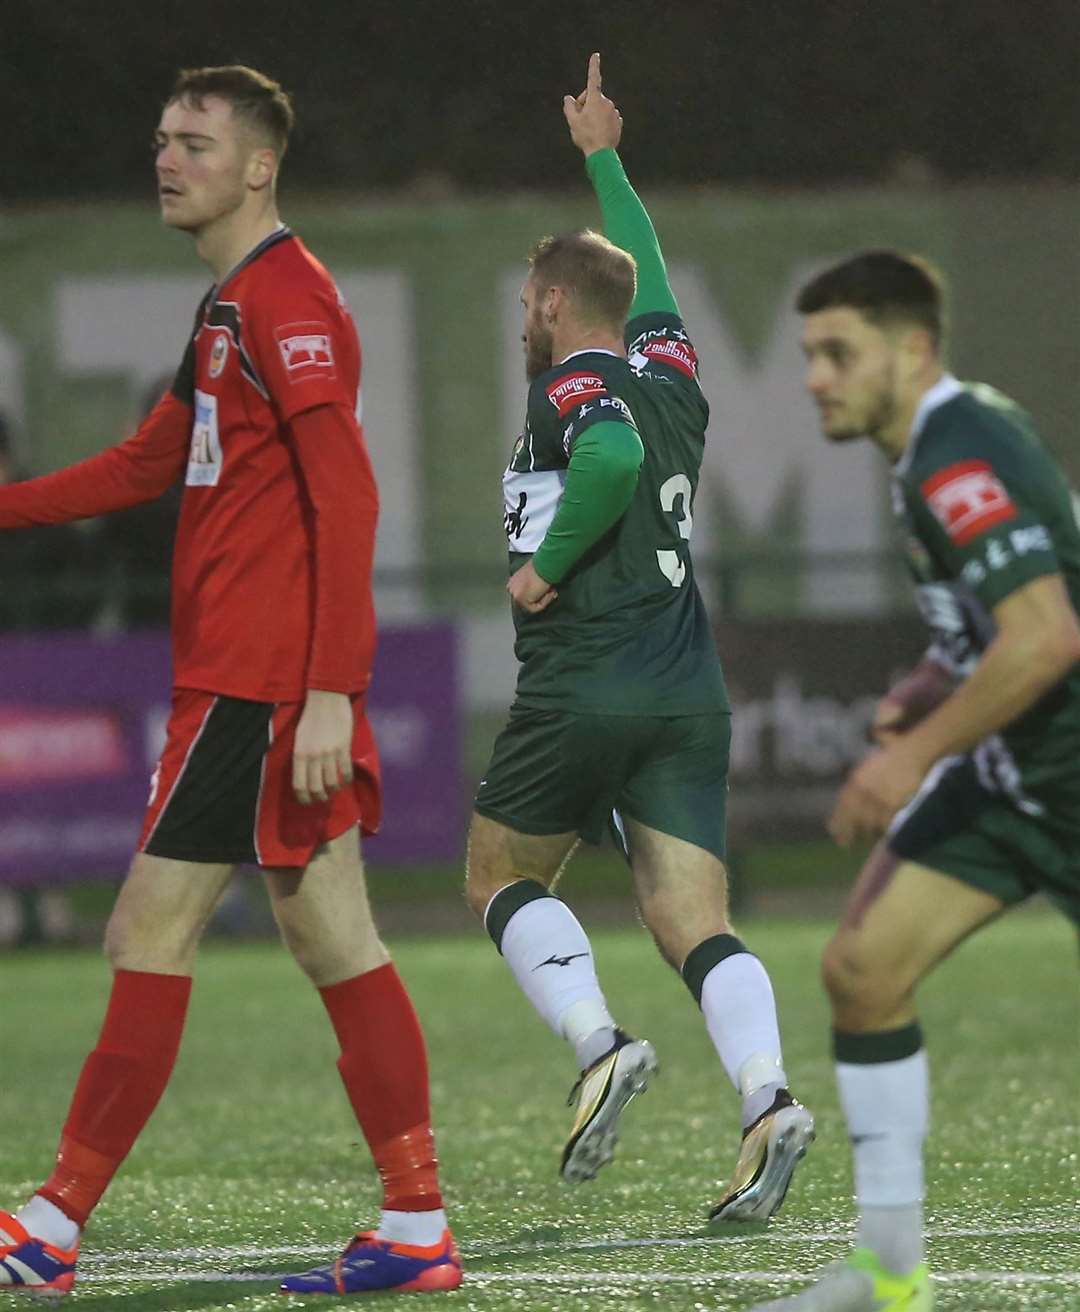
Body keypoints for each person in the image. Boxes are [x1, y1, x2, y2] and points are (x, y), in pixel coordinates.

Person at [0, 66, 460, 1298]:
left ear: (258, 165)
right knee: (334, 936)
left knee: (146, 929)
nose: (168, 158)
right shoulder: (227, 305)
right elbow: (145, 462)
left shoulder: (287, 301)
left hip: (258, 685)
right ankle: (417, 1225)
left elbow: (349, 497)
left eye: (195, 142)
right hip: (252, 679)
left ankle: (50, 1222)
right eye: (160, 138)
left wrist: (327, 690)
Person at [463, 53, 814, 1225]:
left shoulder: (573, 385)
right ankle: (767, 1099)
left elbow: (604, 454)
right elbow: (648, 271)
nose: (528, 320)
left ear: (556, 306)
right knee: (692, 918)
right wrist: (604, 157)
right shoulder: (674, 370)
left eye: (530, 304)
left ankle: (600, 1042)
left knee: (500, 874)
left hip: (586, 679)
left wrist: (541, 569)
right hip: (685, 684)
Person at [749, 251, 1080, 1311]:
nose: (815, 377)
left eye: (840, 352)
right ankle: (891, 1269)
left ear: (914, 350)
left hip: (1063, 771)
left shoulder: (952, 452)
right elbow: (1008, 623)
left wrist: (907, 750)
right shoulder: (935, 447)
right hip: (1020, 780)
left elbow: (1042, 640)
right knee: (862, 970)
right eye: (808, 356)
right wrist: (934, 678)